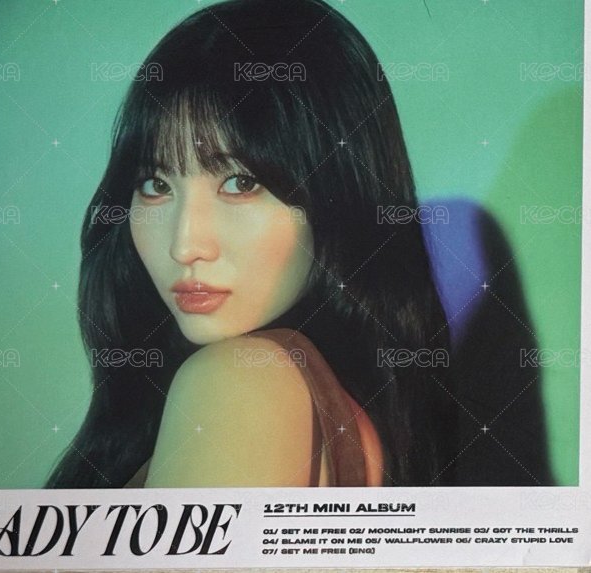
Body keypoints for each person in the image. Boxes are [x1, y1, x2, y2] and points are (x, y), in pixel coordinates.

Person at [45, 0, 458, 488]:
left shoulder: (240, 381)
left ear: (337, 196)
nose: (184, 245)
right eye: (156, 185)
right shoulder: (352, 411)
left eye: (241, 184)